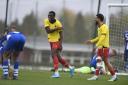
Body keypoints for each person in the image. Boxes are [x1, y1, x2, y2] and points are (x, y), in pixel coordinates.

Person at [86, 13, 117, 81]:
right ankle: (98, 76)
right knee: (102, 61)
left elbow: (102, 37)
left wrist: (96, 46)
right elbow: (98, 37)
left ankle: (112, 76)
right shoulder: (99, 28)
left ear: (99, 19)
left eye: (96, 18)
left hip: (104, 48)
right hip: (100, 48)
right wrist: (91, 41)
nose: (95, 19)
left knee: (101, 61)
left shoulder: (104, 27)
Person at [44, 11, 74, 78]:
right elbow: (48, 31)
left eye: (51, 16)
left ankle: (56, 73)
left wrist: (60, 44)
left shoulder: (58, 23)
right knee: (59, 58)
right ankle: (70, 68)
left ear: (54, 16)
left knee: (53, 54)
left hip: (56, 41)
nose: (49, 17)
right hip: (51, 41)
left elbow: (61, 36)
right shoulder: (46, 21)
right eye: (48, 16)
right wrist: (56, 28)